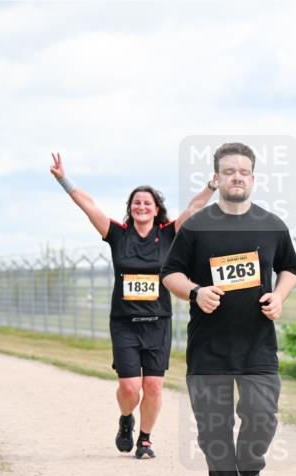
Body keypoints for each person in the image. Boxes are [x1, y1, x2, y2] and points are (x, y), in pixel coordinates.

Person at [162, 142, 296, 476]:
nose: (236, 177)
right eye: (228, 171)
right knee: (213, 428)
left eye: (243, 171)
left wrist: (279, 295)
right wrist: (195, 291)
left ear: (253, 178)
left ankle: (251, 468)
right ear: (217, 177)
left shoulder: (271, 225)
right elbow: (170, 273)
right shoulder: (196, 226)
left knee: (261, 416)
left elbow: (290, 267)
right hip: (208, 348)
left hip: (257, 345)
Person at [50, 152, 215, 459]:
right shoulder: (117, 235)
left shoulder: (168, 235)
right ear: (130, 208)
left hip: (158, 322)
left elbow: (194, 207)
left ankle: (145, 440)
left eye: (147, 203)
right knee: (130, 388)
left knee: (152, 386)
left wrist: (212, 185)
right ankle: (126, 419)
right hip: (124, 323)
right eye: (136, 202)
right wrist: (62, 178)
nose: (141, 206)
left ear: (156, 209)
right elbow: (88, 205)